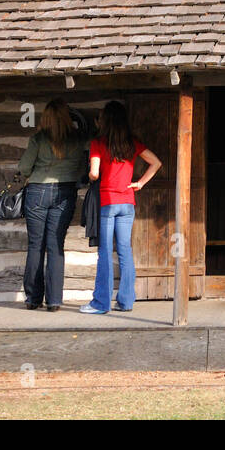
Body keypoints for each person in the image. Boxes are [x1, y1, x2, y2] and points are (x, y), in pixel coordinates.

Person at [81, 101, 161, 314]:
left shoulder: (98, 143)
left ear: (105, 120)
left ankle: (100, 303)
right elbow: (156, 163)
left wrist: (89, 172)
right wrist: (140, 183)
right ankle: (125, 301)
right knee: (125, 251)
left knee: (105, 252)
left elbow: (95, 174)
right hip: (127, 202)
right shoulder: (132, 143)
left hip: (108, 202)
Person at [18, 98, 89, 311]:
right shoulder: (78, 139)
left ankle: (33, 299)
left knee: (35, 246)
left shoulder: (38, 139)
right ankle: (54, 301)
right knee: (55, 245)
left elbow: (24, 168)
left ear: (46, 118)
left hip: (37, 191)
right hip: (65, 192)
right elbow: (82, 167)